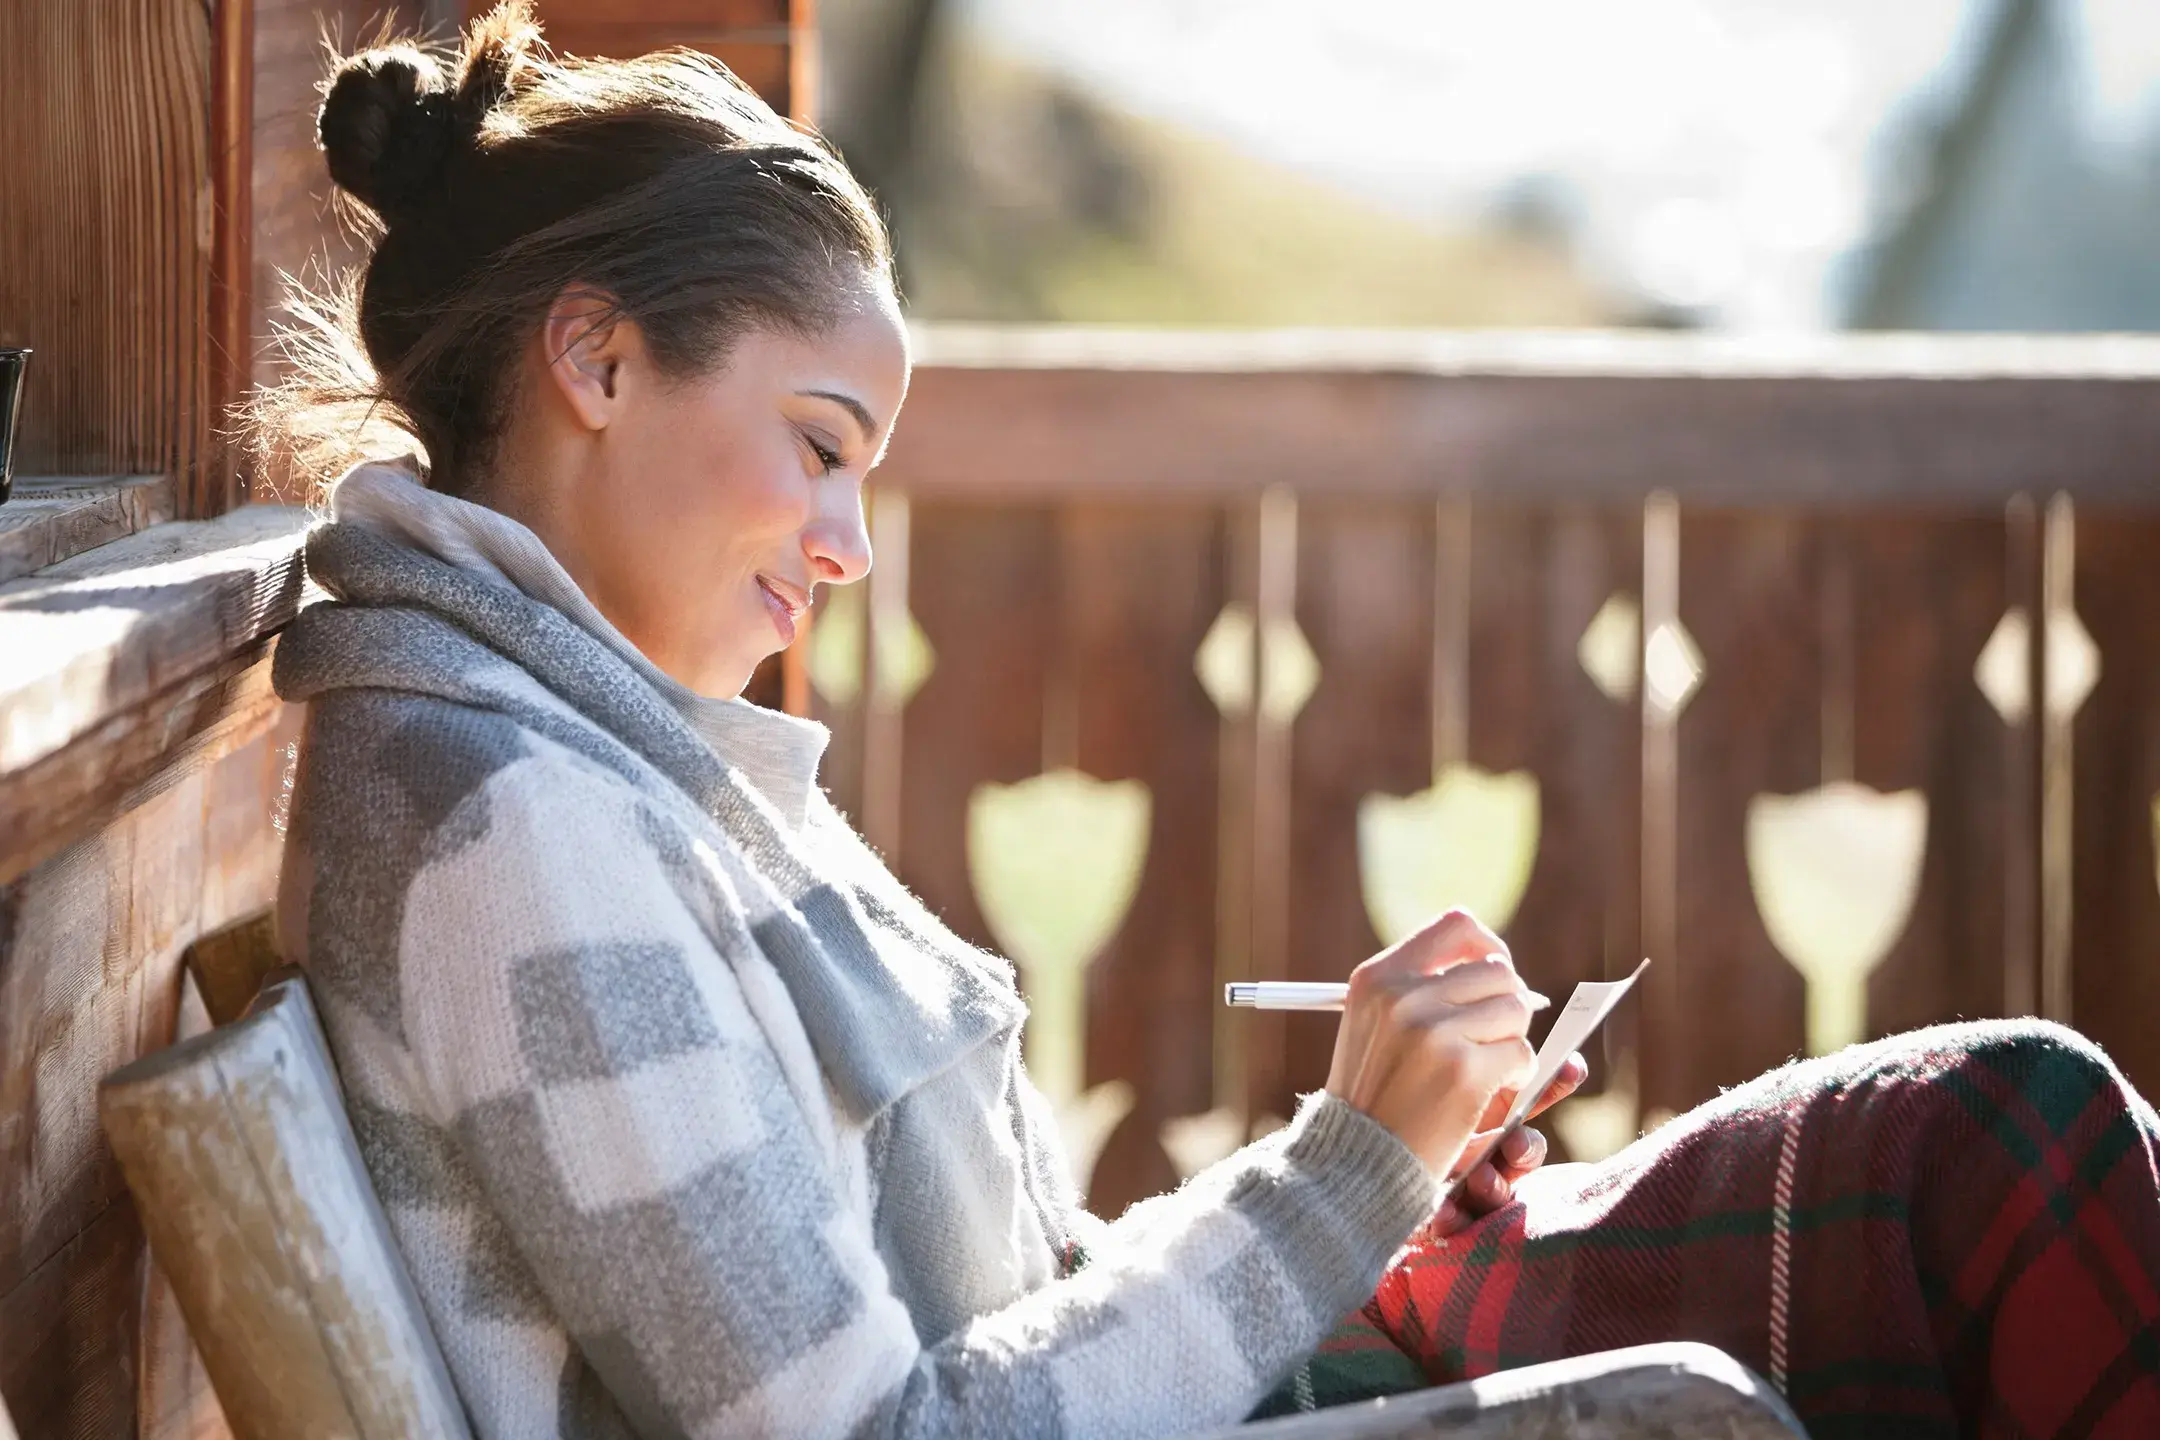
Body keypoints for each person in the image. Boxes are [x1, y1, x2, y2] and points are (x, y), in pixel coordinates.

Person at [259, 7, 2160, 1437]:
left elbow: (1008, 1303)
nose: (848, 546)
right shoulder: (511, 833)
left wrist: (1381, 1171)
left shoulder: (592, 754)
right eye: (821, 449)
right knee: (1992, 1176)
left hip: (1243, 1384)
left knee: (1997, 1148)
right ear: (596, 358)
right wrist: (1343, 1177)